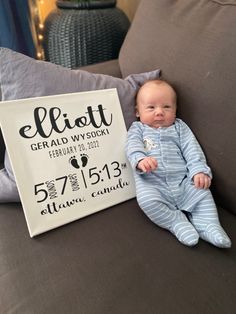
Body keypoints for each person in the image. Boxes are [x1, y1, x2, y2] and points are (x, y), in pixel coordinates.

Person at [126, 79, 231, 248]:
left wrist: (198, 171)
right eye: (151, 107)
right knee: (147, 201)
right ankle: (175, 222)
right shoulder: (137, 129)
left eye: (166, 107)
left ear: (175, 110)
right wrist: (140, 160)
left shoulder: (180, 128)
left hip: (183, 180)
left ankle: (208, 225)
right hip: (153, 183)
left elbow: (192, 149)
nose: (159, 112)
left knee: (202, 192)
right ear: (138, 112)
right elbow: (132, 146)